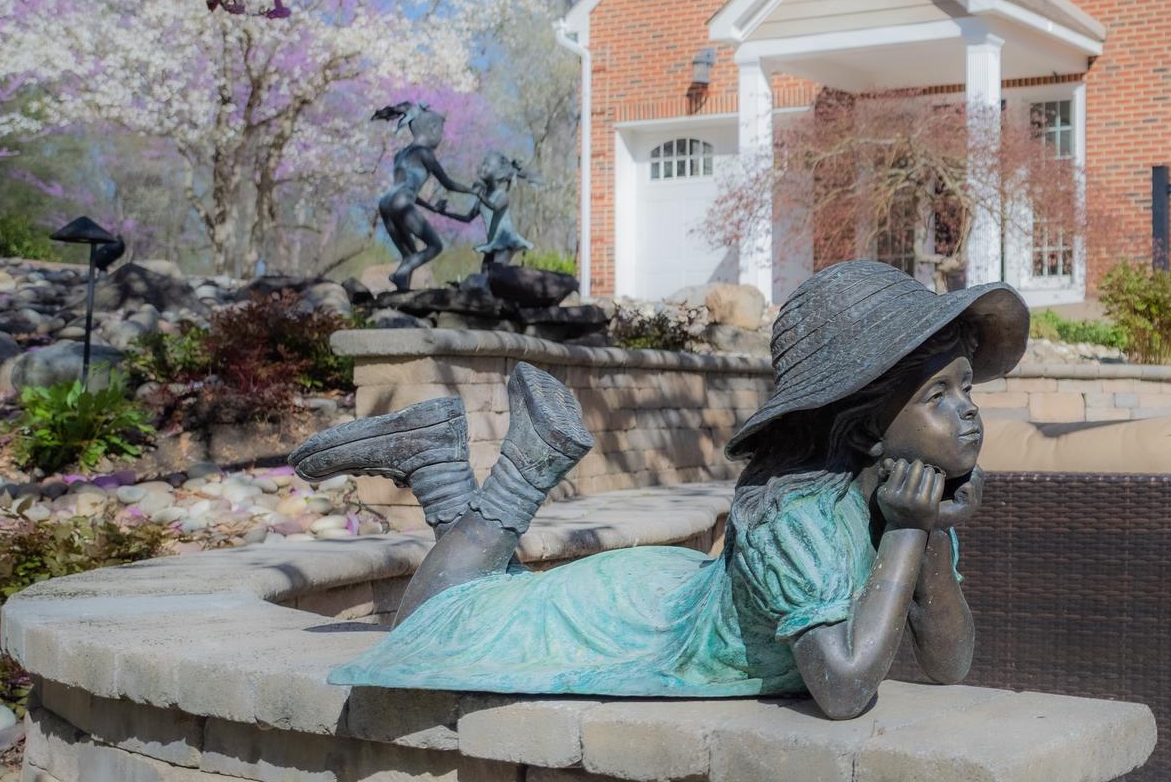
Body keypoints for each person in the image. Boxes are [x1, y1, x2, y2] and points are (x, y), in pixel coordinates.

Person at [287, 260, 1028, 721]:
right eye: (938, 394)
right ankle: (510, 468)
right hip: (637, 622)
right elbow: (843, 689)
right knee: (434, 623)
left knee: (473, 606)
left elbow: (948, 663)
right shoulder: (794, 516)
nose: (967, 410)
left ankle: (439, 460)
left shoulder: (897, 495)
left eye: (965, 387)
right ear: (863, 424)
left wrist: (925, 532)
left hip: (677, 597)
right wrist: (909, 532)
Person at [370, 102, 474, 291]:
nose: (441, 136)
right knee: (435, 246)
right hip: (401, 202)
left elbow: (405, 190)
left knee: (409, 255)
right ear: (432, 128)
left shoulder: (400, 154)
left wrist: (432, 208)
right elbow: (448, 183)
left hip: (386, 203)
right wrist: (473, 191)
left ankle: (401, 292)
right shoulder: (424, 153)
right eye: (441, 131)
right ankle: (400, 274)